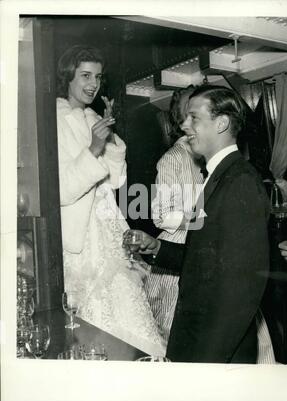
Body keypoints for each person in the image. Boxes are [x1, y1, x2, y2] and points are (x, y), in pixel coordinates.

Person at [124, 85, 274, 363]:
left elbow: (241, 287)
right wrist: (158, 246)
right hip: (196, 340)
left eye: (194, 118)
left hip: (212, 351)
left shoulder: (239, 180)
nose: (183, 125)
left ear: (222, 123)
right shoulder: (220, 175)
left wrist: (208, 362)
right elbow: (208, 259)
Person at [56, 45, 165, 356]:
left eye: (98, 77)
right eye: (85, 75)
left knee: (125, 305)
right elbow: (62, 190)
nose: (93, 84)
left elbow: (115, 180)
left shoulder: (92, 117)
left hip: (108, 224)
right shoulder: (54, 120)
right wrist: (93, 147)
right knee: (92, 316)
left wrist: (111, 139)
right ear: (68, 76)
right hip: (82, 234)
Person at [145, 86, 204, 343]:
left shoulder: (207, 155)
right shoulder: (173, 159)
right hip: (178, 252)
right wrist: (201, 220)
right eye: (190, 112)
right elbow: (161, 216)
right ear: (180, 121)